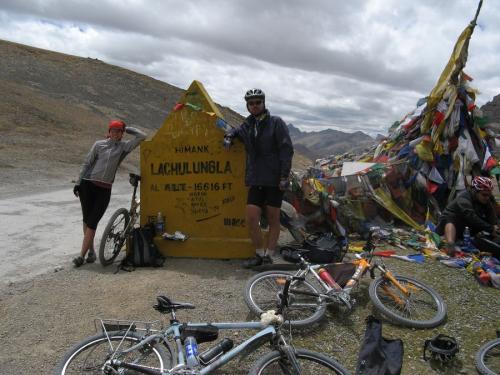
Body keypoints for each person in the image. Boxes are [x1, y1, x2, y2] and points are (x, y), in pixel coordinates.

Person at [224, 89, 294, 268]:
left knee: (273, 219)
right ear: (247, 106)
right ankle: (258, 253)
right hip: (256, 179)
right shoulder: (248, 125)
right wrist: (230, 136)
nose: (254, 105)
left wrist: (284, 176)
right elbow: (236, 130)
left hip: (274, 179)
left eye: (257, 102)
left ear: (263, 103)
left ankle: (268, 256)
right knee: (252, 217)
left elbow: (286, 150)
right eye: (251, 103)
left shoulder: (276, 123)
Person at [72, 120, 146, 267]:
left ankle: (81, 256)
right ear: (109, 131)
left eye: (119, 131)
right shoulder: (98, 145)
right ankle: (91, 252)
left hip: (104, 189)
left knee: (92, 222)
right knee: (87, 220)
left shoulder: (124, 147)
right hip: (88, 184)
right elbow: (87, 163)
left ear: (121, 134)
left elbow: (142, 136)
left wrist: (127, 128)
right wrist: (78, 182)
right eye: (114, 130)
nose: (116, 133)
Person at [436, 176, 498, 256]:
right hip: (448, 226)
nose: (487, 197)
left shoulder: (487, 201)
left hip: (466, 229)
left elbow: (493, 218)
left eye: (489, 195)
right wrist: (491, 228)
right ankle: (450, 244)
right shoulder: (463, 199)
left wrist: (496, 227)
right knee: (451, 218)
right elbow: (471, 217)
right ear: (475, 191)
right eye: (484, 195)